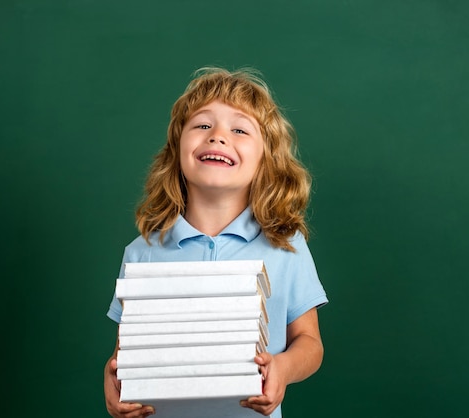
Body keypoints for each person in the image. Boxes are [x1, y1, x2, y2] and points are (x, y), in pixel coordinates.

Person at [103, 67, 328, 418]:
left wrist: (282, 368)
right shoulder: (142, 252)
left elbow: (310, 344)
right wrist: (113, 377)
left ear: (266, 161)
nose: (218, 136)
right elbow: (126, 352)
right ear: (178, 150)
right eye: (202, 125)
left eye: (239, 129)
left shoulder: (285, 246)